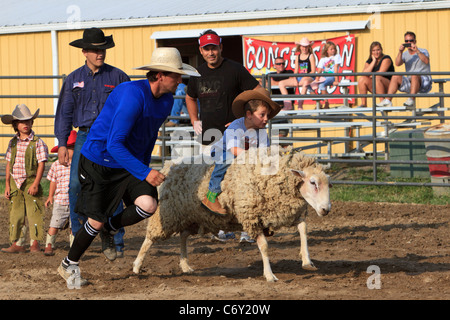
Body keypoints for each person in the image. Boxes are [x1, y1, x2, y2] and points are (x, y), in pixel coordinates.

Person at [57, 47, 200, 286]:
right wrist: (146, 172)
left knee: (148, 204)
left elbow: (148, 135)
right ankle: (69, 264)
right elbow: (113, 145)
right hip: (99, 161)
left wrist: (142, 169)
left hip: (126, 161)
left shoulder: (165, 101)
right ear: (161, 75)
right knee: (95, 221)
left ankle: (111, 227)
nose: (180, 80)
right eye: (177, 75)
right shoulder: (132, 96)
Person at [54, 27, 129, 260]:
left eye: (103, 49)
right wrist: (63, 143)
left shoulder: (118, 77)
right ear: (84, 51)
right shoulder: (73, 79)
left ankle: (114, 238)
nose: (100, 54)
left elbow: (130, 108)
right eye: (96, 50)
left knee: (113, 186)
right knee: (75, 185)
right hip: (85, 136)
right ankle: (79, 236)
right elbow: (65, 112)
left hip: (112, 137)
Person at [201, 87, 281, 215]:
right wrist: (255, 157)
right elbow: (234, 149)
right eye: (262, 114)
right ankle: (211, 194)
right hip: (222, 151)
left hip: (246, 156)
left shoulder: (261, 132)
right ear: (249, 114)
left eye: (268, 115)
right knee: (227, 158)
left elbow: (266, 151)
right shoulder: (236, 126)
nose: (266, 119)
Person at [186, 29, 261, 147]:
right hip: (207, 137)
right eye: (206, 49)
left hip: (236, 135)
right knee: (208, 165)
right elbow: (190, 98)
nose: (210, 53)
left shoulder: (235, 69)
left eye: (214, 48)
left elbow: (258, 91)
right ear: (201, 50)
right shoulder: (197, 73)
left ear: (221, 47)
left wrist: (245, 120)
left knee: (237, 165)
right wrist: (194, 120)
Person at [1, 104, 48, 253]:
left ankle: (35, 242)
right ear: (16, 125)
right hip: (15, 181)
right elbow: (9, 163)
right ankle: (19, 242)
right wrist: (7, 184)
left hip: (30, 180)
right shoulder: (12, 143)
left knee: (34, 211)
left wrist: (36, 183)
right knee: (16, 212)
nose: (25, 124)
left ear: (32, 123)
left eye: (28, 121)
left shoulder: (38, 143)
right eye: (22, 122)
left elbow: (41, 164)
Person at [43, 130, 77, 256]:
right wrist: (50, 196)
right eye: (66, 148)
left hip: (75, 202)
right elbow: (53, 181)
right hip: (60, 201)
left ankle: (74, 247)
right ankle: (49, 244)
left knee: (74, 227)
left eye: (72, 148)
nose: (68, 152)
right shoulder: (56, 165)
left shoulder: (78, 165)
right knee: (55, 223)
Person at [377, 31, 431, 108]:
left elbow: (426, 61)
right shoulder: (405, 54)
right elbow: (397, 63)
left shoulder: (423, 51)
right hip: (411, 82)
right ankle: (388, 101)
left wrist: (417, 51)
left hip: (424, 82)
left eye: (411, 41)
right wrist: (400, 52)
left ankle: (411, 100)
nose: (409, 43)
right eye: (406, 41)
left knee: (414, 75)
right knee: (396, 76)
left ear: (415, 41)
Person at [278, 38, 316, 110]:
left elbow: (313, 71)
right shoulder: (297, 57)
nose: (304, 48)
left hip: (309, 77)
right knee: (281, 83)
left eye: (306, 46)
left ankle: (300, 105)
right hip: (299, 77)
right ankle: (288, 104)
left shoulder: (311, 56)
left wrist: (304, 76)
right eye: (303, 46)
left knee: (305, 82)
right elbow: (296, 70)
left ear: (309, 47)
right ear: (300, 47)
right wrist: (295, 78)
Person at [357, 41, 395, 107]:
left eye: (378, 50)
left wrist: (372, 75)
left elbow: (381, 72)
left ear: (381, 50)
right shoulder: (370, 61)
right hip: (376, 85)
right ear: (371, 52)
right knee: (361, 79)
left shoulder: (386, 58)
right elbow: (364, 74)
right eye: (373, 50)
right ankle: (364, 103)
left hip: (389, 86)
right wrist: (374, 61)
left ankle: (383, 101)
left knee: (376, 77)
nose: (376, 52)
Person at [315, 41, 342, 109]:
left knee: (321, 84)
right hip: (324, 76)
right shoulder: (323, 59)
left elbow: (335, 68)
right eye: (331, 49)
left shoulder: (336, 56)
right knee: (312, 85)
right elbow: (319, 70)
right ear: (327, 51)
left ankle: (326, 103)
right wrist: (317, 79)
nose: (333, 50)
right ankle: (319, 103)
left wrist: (336, 80)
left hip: (332, 76)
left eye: (334, 49)